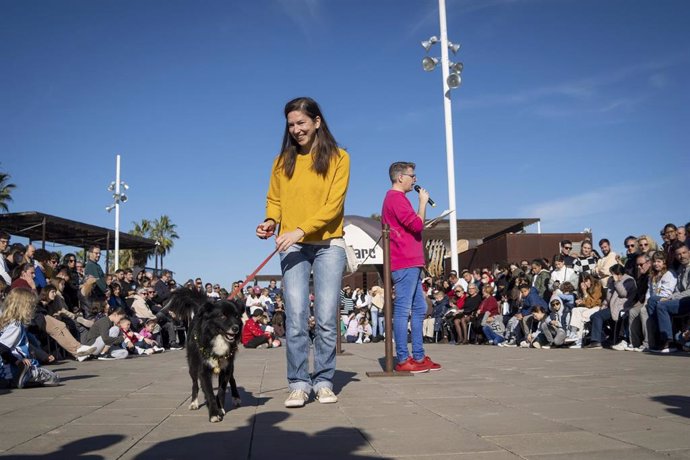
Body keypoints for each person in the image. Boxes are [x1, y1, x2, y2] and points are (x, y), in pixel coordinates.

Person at [255, 97, 349, 408]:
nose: (296, 129)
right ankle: (298, 382)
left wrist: (299, 229)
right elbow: (275, 200)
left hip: (328, 244)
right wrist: (270, 221)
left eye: (302, 123)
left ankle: (323, 380)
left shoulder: (339, 158)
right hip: (291, 244)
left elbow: (333, 207)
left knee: (324, 317)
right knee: (295, 316)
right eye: (291, 124)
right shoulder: (281, 162)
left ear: (317, 122)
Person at [381, 161, 441, 373]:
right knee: (403, 309)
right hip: (404, 261)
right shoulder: (396, 198)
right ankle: (403, 358)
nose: (415, 179)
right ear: (400, 178)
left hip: (411, 261)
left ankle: (418, 355)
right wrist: (422, 203)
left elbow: (412, 226)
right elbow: (415, 225)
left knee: (419, 308)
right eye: (412, 175)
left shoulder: (397, 199)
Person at [0, 289, 61, 388]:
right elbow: (2, 347)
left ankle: (19, 378)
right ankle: (26, 374)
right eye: (31, 306)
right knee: (54, 378)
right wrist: (16, 361)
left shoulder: (4, 321)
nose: (33, 309)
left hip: (5, 367)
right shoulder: (16, 326)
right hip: (14, 365)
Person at [648, 243, 690, 353]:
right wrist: (671, 297)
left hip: (687, 300)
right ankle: (660, 338)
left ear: (689, 253)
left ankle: (668, 341)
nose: (682, 256)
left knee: (662, 306)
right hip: (680, 299)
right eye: (678, 254)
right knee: (652, 300)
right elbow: (678, 288)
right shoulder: (681, 268)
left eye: (684, 253)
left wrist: (670, 298)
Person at [586, 264, 637, 349]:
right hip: (611, 306)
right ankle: (608, 335)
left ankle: (596, 341)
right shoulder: (612, 280)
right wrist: (604, 304)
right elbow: (609, 296)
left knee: (597, 316)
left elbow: (623, 293)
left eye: (612, 273)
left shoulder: (629, 280)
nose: (611, 276)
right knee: (593, 317)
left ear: (618, 273)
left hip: (620, 307)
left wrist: (617, 282)